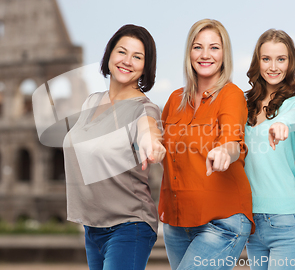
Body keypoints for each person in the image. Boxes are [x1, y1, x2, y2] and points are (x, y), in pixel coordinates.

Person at [63, 24, 165, 270]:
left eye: (137, 56)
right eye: (122, 52)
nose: (127, 61)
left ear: (145, 67)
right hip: (92, 228)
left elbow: (148, 129)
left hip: (129, 225)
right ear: (109, 55)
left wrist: (151, 143)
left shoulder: (143, 109)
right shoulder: (91, 102)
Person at [158, 19, 253, 270]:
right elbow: (159, 144)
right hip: (177, 222)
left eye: (214, 47)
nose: (205, 55)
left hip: (222, 221)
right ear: (189, 52)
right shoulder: (175, 99)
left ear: (224, 54)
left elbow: (233, 139)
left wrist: (224, 150)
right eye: (198, 47)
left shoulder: (230, 95)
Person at [244, 29, 295, 270]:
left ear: (290, 63)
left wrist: (282, 123)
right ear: (257, 62)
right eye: (266, 59)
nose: (273, 67)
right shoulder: (242, 105)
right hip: (251, 222)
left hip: (286, 224)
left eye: (280, 59)